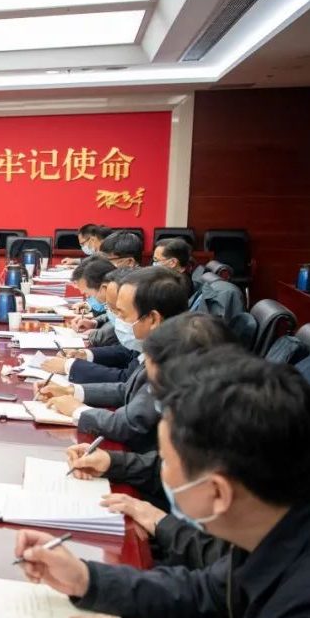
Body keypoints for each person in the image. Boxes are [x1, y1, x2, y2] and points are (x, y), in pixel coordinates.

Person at [14, 348, 310, 618]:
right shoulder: (273, 530)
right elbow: (205, 594)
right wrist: (87, 579)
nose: (161, 471)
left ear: (218, 493)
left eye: (166, 462)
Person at [66, 314, 238, 570]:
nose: (153, 399)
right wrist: (112, 462)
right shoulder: (208, 417)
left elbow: (213, 572)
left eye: (158, 390)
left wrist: (160, 521)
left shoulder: (232, 441)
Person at [37, 267, 189, 451]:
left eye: (122, 314)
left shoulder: (173, 361)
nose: (117, 320)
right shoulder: (159, 345)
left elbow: (130, 424)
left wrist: (78, 410)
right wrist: (71, 390)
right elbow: (127, 389)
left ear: (153, 319)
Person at [153, 237, 201, 307]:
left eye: (156, 260)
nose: (154, 264)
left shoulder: (177, 285)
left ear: (173, 262)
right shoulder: (174, 276)